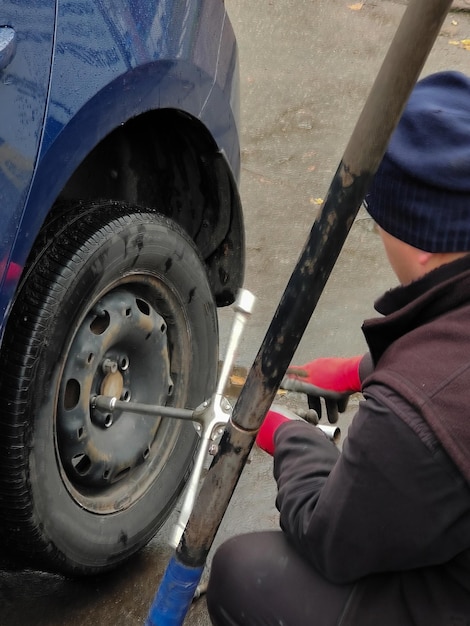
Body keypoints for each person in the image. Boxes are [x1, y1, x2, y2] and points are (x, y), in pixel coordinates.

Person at [205, 70, 470, 625]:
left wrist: (291, 438)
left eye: (380, 222)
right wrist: (359, 369)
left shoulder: (412, 419)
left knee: (242, 570)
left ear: (421, 242)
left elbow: (331, 535)